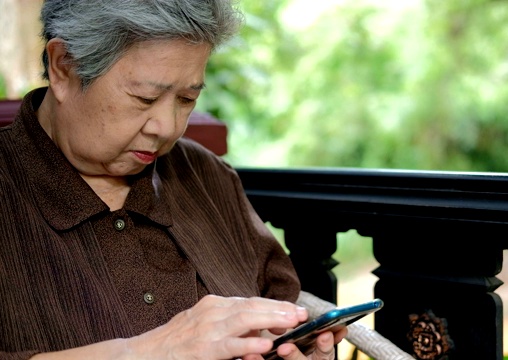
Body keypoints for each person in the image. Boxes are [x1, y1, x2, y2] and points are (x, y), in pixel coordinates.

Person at [0, 1, 347, 359]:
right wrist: (149, 351)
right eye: (144, 97)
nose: (168, 127)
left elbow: (280, 307)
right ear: (63, 67)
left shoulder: (203, 176)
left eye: (186, 98)